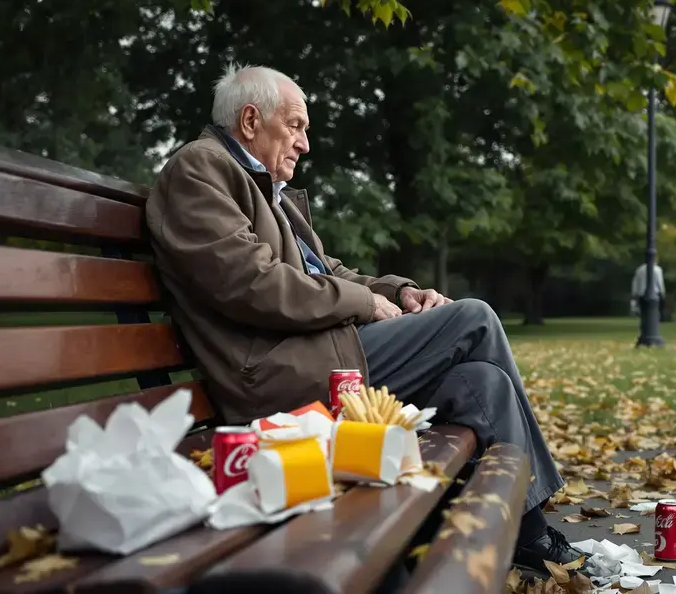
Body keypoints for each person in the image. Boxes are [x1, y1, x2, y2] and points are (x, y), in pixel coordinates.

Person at [145, 65, 582, 578]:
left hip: (322, 351)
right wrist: (363, 303)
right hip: (277, 376)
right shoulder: (200, 170)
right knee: (474, 320)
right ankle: (523, 529)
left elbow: (329, 273)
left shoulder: (266, 191)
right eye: (296, 126)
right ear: (249, 120)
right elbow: (252, 285)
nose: (305, 144)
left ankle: (520, 533)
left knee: (481, 382)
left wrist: (399, 292)